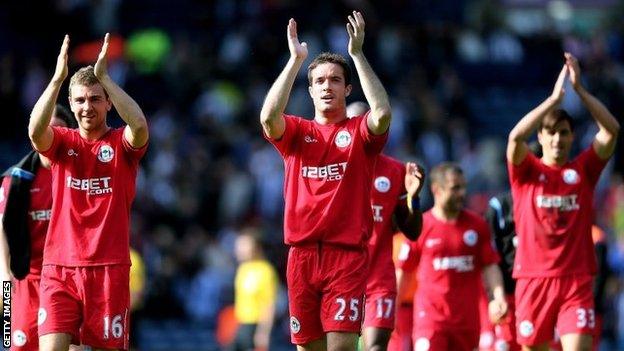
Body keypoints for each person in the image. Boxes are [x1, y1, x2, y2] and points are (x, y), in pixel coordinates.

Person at [260, 11, 392, 351]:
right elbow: (268, 117)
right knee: (308, 348)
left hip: (346, 256)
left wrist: (358, 55)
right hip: (301, 256)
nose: (327, 87)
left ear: (347, 88)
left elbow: (382, 115)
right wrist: (295, 62)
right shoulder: (297, 132)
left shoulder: (358, 133)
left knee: (343, 347)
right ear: (311, 89)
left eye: (335, 80)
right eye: (319, 81)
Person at [28, 33, 149, 351]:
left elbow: (138, 124)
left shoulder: (121, 144)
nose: (87, 107)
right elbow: (35, 133)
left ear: (109, 101)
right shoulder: (63, 142)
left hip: (108, 269)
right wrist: (56, 81)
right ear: (70, 103)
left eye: (96, 98)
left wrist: (105, 77)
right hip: (59, 268)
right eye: (80, 100)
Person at [506, 52, 619, 350]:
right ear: (541, 137)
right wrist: (554, 100)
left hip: (576, 279)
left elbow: (612, 131)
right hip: (533, 278)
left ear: (572, 137)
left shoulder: (583, 171)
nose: (557, 139)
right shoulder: (526, 171)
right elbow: (515, 138)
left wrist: (580, 91)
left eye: (564, 133)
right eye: (551, 132)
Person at [397, 163, 508, 351]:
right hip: (430, 320)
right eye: (455, 188)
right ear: (436, 190)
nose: (462, 193)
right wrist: (393, 307)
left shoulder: (477, 225)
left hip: (466, 321)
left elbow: (489, 265)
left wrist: (498, 297)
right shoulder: (421, 226)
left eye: (463, 187)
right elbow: (404, 270)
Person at [347, 101, 424, 351]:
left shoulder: (395, 171)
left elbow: (412, 231)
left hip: (378, 278)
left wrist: (413, 197)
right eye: (351, 124)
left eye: (364, 124)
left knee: (376, 347)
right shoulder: (330, 169)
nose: (359, 131)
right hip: (341, 276)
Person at [0, 105, 75, 351]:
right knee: (15, 344)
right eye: (44, 127)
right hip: (25, 282)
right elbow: (2, 227)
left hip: (68, 280)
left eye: (57, 129)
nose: (49, 134)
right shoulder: (15, 179)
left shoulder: (78, 175)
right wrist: (4, 278)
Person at [229, 228, 280, 351]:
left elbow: (269, 304)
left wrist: (263, 332)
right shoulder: (243, 269)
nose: (239, 250)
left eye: (244, 246)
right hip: (240, 324)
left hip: (255, 325)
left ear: (256, 247)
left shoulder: (266, 271)